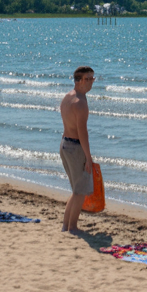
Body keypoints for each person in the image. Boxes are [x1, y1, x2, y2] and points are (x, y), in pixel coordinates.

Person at [58, 66, 96, 233]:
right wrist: (89, 158)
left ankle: (66, 226)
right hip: (74, 147)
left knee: (76, 190)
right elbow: (83, 133)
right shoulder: (80, 103)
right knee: (80, 191)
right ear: (79, 80)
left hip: (65, 145)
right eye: (88, 79)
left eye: (93, 78)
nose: (91, 82)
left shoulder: (68, 97)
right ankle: (72, 227)